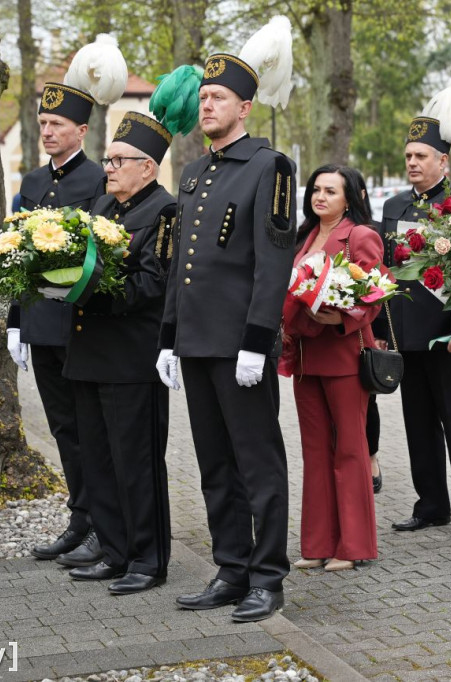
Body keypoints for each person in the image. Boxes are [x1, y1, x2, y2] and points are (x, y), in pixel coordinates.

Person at [157, 42, 296, 622]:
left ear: (246, 106)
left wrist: (258, 340)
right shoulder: (192, 173)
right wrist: (168, 336)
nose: (206, 105)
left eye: (218, 97)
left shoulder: (271, 167)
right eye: (204, 96)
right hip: (196, 341)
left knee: (257, 463)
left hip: (241, 344)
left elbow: (274, 261)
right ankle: (231, 568)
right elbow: (179, 267)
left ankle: (268, 577)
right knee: (214, 463)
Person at [43, 113, 177, 594]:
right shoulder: (103, 205)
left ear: (148, 167)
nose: (110, 168)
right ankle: (115, 551)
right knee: (98, 460)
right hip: (88, 352)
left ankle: (148, 559)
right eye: (108, 159)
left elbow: (152, 284)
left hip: (130, 359)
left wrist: (89, 290)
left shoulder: (163, 213)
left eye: (119, 160)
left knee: (135, 463)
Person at [375, 78, 451, 540]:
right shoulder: (394, 205)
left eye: (421, 156)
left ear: (443, 160)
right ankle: (431, 505)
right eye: (408, 157)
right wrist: (382, 331)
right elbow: (382, 272)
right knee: (418, 425)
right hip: (406, 334)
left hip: (450, 335)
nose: (413, 164)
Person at [11, 80, 106, 564]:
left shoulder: (97, 182)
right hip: (40, 324)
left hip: (79, 322)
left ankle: (99, 524)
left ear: (81, 131)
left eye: (57, 125)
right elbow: (13, 258)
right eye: (43, 124)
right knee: (63, 428)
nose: (47, 132)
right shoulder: (30, 183)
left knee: (89, 426)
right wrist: (14, 322)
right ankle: (78, 519)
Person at [280, 165, 382, 572]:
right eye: (316, 190)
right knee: (315, 451)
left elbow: (374, 294)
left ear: (348, 198)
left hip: (343, 355)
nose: (320, 197)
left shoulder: (360, 235)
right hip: (305, 355)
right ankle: (318, 543)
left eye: (330, 191)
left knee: (351, 449)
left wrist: (342, 318)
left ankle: (354, 545)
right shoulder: (303, 237)